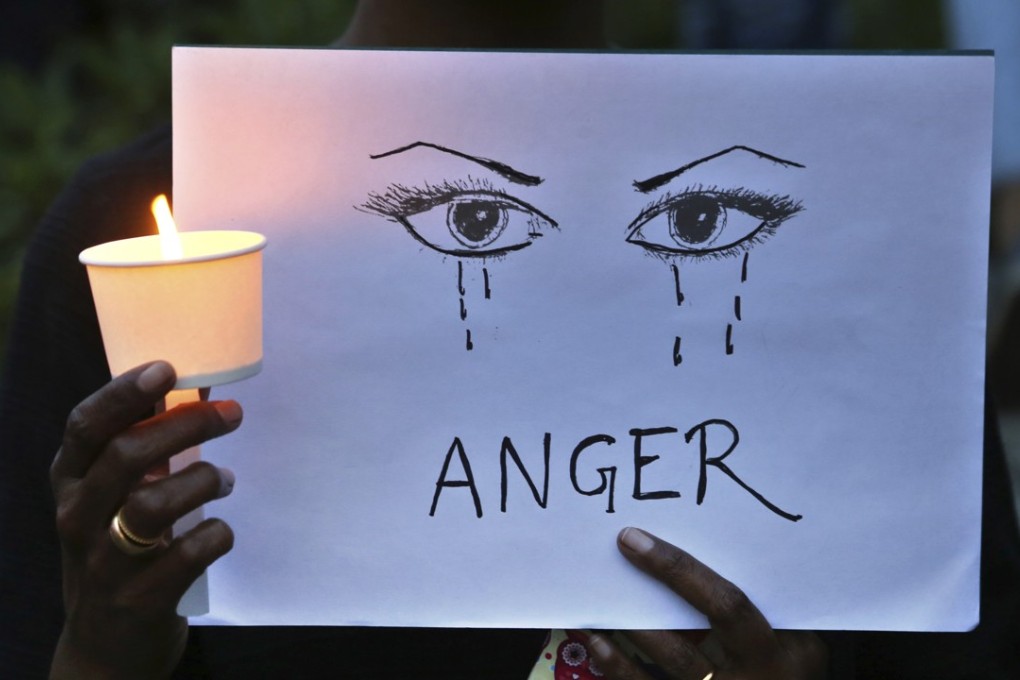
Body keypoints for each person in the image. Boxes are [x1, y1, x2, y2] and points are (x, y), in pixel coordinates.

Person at [1, 2, 1018, 678]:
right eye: (465, 222)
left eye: (707, 224)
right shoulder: (139, 249)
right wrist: (101, 644)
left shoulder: (872, 228)